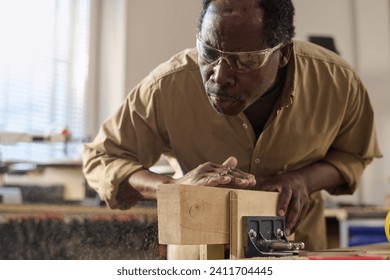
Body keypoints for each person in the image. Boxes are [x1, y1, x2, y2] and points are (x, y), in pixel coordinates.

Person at [82, 0, 381, 257]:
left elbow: (354, 155)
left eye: (246, 60)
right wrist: (173, 188)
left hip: (294, 258)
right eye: (209, 53)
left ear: (284, 53)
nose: (221, 75)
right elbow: (101, 159)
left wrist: (303, 180)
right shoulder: (167, 87)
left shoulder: (338, 83)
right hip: (198, 263)